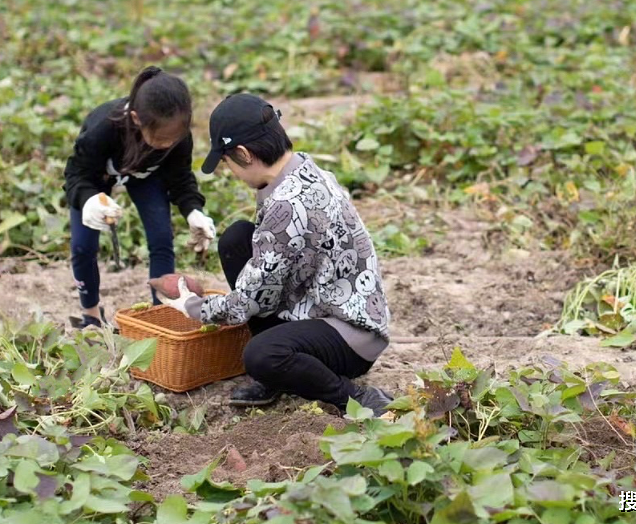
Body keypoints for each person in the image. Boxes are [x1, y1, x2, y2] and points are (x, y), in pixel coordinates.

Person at [158, 93, 394, 417]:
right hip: (324, 301)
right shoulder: (301, 168)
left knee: (261, 355)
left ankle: (356, 400)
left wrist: (193, 307)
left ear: (243, 154)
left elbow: (246, 302)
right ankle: (282, 375)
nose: (230, 172)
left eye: (226, 163)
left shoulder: (287, 204)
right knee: (237, 239)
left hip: (352, 334)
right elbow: (269, 270)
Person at [62, 66, 217, 328]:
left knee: (161, 238)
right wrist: (88, 200)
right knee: (83, 245)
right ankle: (90, 314)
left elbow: (180, 177)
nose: (168, 144)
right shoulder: (103, 127)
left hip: (146, 177)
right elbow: (76, 174)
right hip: (95, 178)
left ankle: (161, 314)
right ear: (136, 119)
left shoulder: (178, 137)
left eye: (173, 139)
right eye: (159, 139)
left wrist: (193, 210)